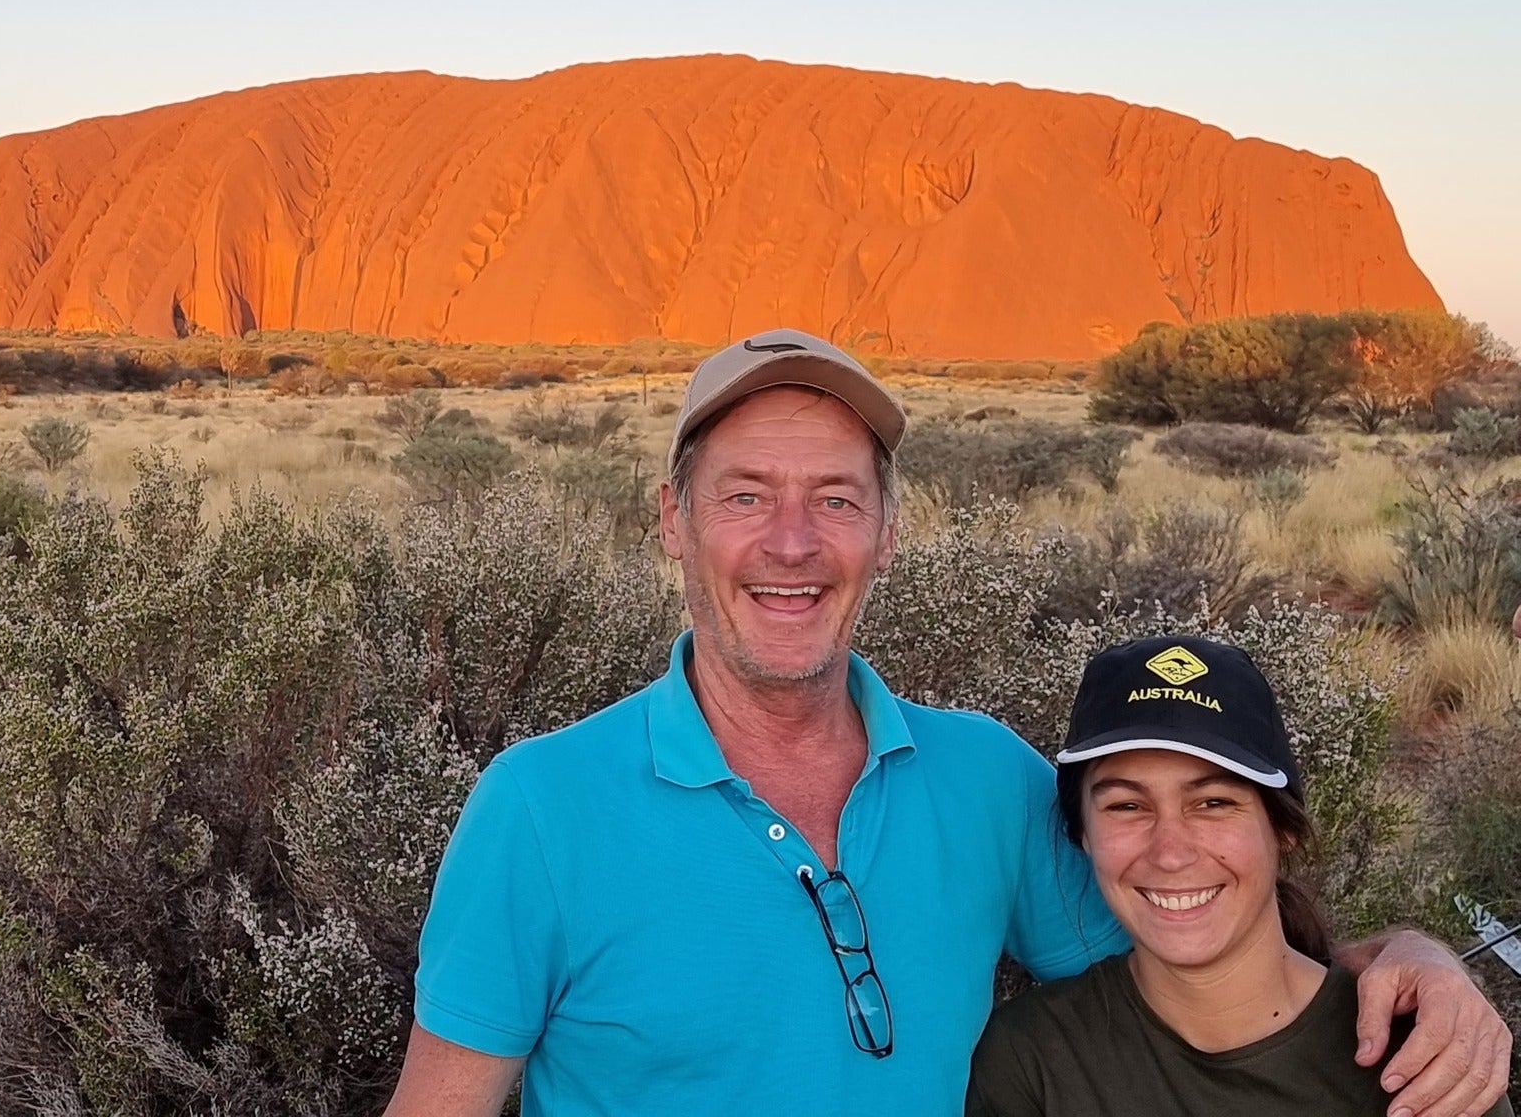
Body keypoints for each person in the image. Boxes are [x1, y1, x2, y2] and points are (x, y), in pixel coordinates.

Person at [383, 330, 1512, 1117]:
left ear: (885, 531)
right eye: (743, 496)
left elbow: (1201, 951)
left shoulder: (982, 777)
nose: (791, 543)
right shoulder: (540, 807)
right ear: (670, 521)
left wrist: (1406, 960)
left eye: (834, 497)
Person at [967, 635, 1515, 1116]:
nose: (1171, 852)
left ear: (1283, 828)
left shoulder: (1429, 1055)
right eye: (1127, 807)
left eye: (1212, 802)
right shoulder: (1031, 1062)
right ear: (1083, 835)